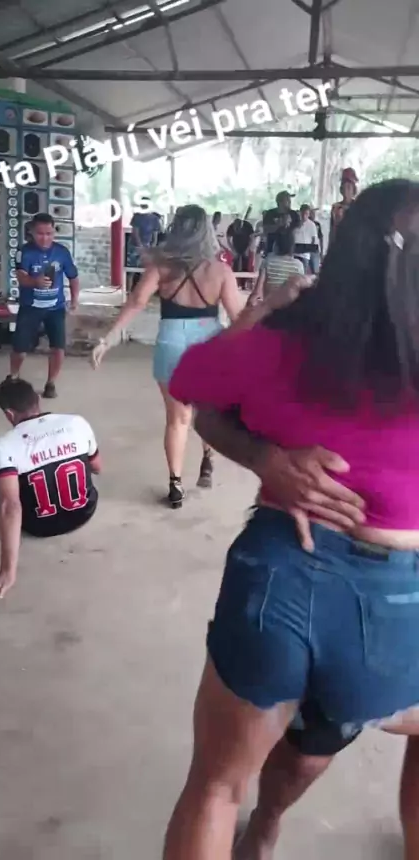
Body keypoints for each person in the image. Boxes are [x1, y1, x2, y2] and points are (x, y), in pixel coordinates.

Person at [163, 179, 419, 859]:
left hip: (281, 570)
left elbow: (192, 383)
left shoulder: (288, 336)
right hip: (402, 591)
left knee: (216, 787)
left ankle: (265, 826)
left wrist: (264, 455)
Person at [90, 204, 243, 508]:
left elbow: (136, 301)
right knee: (207, 409)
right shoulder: (220, 271)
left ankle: (176, 484)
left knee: (177, 419)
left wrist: (108, 339)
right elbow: (238, 317)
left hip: (171, 340)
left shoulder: (160, 268)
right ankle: (208, 458)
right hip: (209, 342)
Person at [0, 378, 100, 600]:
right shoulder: (77, 422)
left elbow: (10, 506)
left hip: (39, 525)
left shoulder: (3, 445)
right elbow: (97, 467)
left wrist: (7, 573)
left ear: (9, 414)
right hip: (84, 511)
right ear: (37, 401)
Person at [7, 213, 80, 399]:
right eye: (40, 233)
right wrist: (35, 282)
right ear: (32, 232)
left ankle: (51, 383)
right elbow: (21, 277)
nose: (45, 238)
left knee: (58, 348)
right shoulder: (24, 252)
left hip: (55, 308)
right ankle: (13, 377)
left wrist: (74, 300)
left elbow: (73, 277)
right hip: (30, 307)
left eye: (49, 233)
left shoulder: (62, 252)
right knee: (20, 348)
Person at [249, 228, 306, 304]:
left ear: (276, 245)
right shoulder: (299, 266)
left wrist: (250, 301)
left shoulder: (268, 262)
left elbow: (257, 291)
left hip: (270, 306)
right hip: (290, 307)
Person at [262, 192, 300, 256]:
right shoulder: (270, 213)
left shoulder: (294, 214)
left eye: (289, 199)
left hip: (289, 251)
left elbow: (298, 230)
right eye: (287, 199)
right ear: (280, 202)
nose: (290, 201)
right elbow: (266, 230)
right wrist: (279, 224)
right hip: (272, 250)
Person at [330, 167, 358, 240]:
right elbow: (332, 232)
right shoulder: (335, 208)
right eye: (344, 187)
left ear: (354, 189)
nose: (346, 191)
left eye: (349, 187)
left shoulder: (359, 207)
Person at [293, 204, 319, 272]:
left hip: (305, 255)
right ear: (300, 213)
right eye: (302, 213)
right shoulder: (294, 223)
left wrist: (310, 249)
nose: (304, 216)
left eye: (306, 214)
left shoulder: (312, 225)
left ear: (309, 214)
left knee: (303, 273)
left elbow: (314, 239)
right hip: (294, 253)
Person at [309, 207, 324, 275]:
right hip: (306, 248)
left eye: (314, 213)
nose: (313, 215)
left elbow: (321, 238)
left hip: (315, 249)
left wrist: (321, 251)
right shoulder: (305, 223)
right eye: (312, 213)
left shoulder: (317, 224)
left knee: (315, 270)